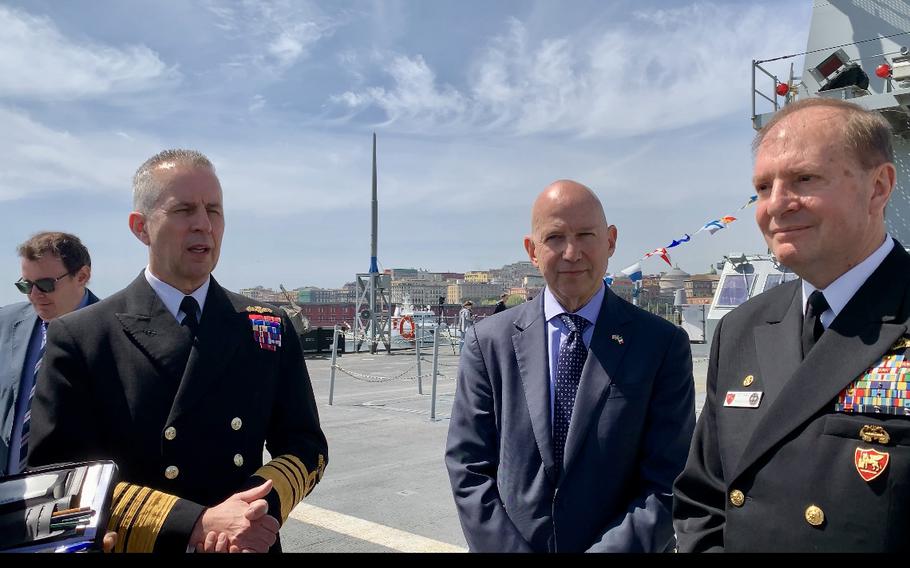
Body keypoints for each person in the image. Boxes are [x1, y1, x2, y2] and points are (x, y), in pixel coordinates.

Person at [27, 149, 328, 553]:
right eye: (184, 210)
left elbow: (305, 445)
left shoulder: (265, 326)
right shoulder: (83, 335)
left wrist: (253, 509)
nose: (203, 224)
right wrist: (195, 523)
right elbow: (60, 480)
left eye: (214, 210)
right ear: (141, 227)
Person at [673, 98, 908, 552]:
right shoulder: (742, 328)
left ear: (878, 187)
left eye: (804, 179)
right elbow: (702, 498)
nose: (775, 205)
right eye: (763, 187)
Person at [445, 179, 695, 552]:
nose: (572, 252)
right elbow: (468, 468)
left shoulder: (661, 345)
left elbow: (669, 480)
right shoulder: (488, 342)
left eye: (585, 235)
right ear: (532, 249)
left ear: (610, 241)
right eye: (555, 238)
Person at [0, 232, 98, 476]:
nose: (34, 295)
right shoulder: (4, 324)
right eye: (26, 285)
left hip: (71, 497)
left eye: (45, 285)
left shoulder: (114, 332)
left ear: (82, 276)